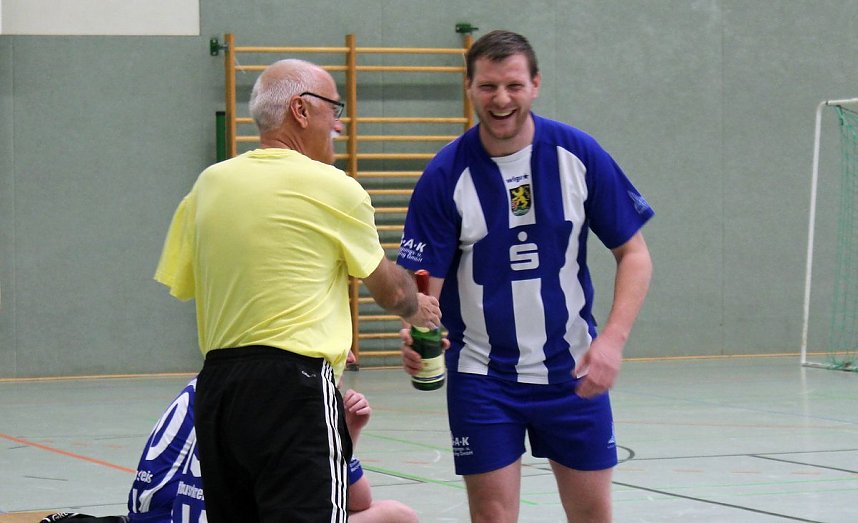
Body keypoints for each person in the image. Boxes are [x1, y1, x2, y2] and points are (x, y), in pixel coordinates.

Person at [153, 58, 440, 522]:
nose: (340, 125)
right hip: (294, 389)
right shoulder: (333, 188)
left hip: (217, 393)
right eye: (335, 108)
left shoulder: (207, 185)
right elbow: (390, 292)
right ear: (301, 110)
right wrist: (418, 308)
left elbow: (193, 282)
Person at [396, 30, 653, 523]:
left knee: (594, 516)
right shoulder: (446, 175)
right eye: (488, 86)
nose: (501, 99)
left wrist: (613, 343)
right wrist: (416, 331)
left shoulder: (579, 155)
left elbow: (634, 253)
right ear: (469, 88)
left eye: (513, 85)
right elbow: (424, 285)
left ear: (535, 85)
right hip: (483, 378)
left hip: (573, 372)